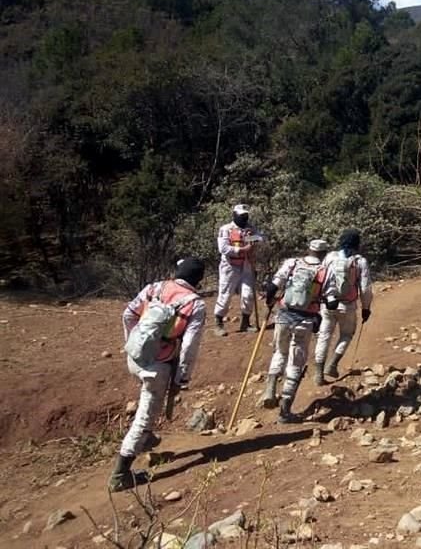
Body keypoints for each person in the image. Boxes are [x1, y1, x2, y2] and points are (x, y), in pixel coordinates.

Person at [109, 257, 206, 492]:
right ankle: (120, 474)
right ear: (199, 280)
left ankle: (146, 439)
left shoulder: (154, 287)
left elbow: (128, 315)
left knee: (150, 400)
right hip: (158, 365)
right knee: (145, 415)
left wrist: (132, 342)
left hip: (135, 357)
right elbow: (189, 346)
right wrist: (182, 377)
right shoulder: (195, 304)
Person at [261, 239, 331, 423]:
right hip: (305, 320)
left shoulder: (292, 263)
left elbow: (273, 286)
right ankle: (285, 411)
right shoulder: (324, 271)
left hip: (284, 315)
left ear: (308, 249)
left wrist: (269, 301)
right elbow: (331, 300)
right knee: (296, 362)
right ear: (323, 253)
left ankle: (270, 388)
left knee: (280, 352)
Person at [315, 229, 374, 384]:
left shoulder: (330, 257)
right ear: (357, 243)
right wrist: (366, 308)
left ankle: (319, 374)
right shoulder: (360, 261)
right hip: (348, 306)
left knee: (324, 336)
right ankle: (333, 364)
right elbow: (365, 288)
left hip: (327, 304)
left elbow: (319, 278)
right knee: (347, 335)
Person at [214, 204, 264, 336]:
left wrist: (249, 238)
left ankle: (245, 323)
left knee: (248, 294)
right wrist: (242, 249)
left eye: (246, 215)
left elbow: (261, 238)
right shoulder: (226, 229)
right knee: (225, 294)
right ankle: (218, 323)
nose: (244, 218)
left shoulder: (251, 228)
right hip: (230, 266)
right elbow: (223, 249)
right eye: (241, 215)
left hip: (247, 266)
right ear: (235, 215)